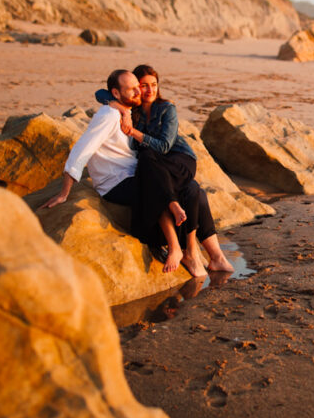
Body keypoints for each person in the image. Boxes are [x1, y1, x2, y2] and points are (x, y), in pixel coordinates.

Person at [43, 69, 231, 278]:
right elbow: (82, 149)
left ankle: (211, 256)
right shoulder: (108, 115)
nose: (138, 93)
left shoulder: (130, 109)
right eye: (133, 89)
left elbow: (104, 95)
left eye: (137, 87)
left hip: (134, 172)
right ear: (116, 93)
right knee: (158, 186)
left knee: (193, 189)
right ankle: (177, 247)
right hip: (114, 182)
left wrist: (122, 109)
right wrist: (64, 192)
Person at [98, 64, 233, 277]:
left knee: (147, 158)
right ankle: (216, 257)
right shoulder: (132, 108)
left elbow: (163, 146)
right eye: (144, 86)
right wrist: (122, 108)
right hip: (157, 166)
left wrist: (133, 132)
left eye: (154, 85)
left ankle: (189, 249)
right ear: (135, 88)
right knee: (193, 190)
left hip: (179, 159)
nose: (150, 90)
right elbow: (101, 93)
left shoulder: (166, 108)